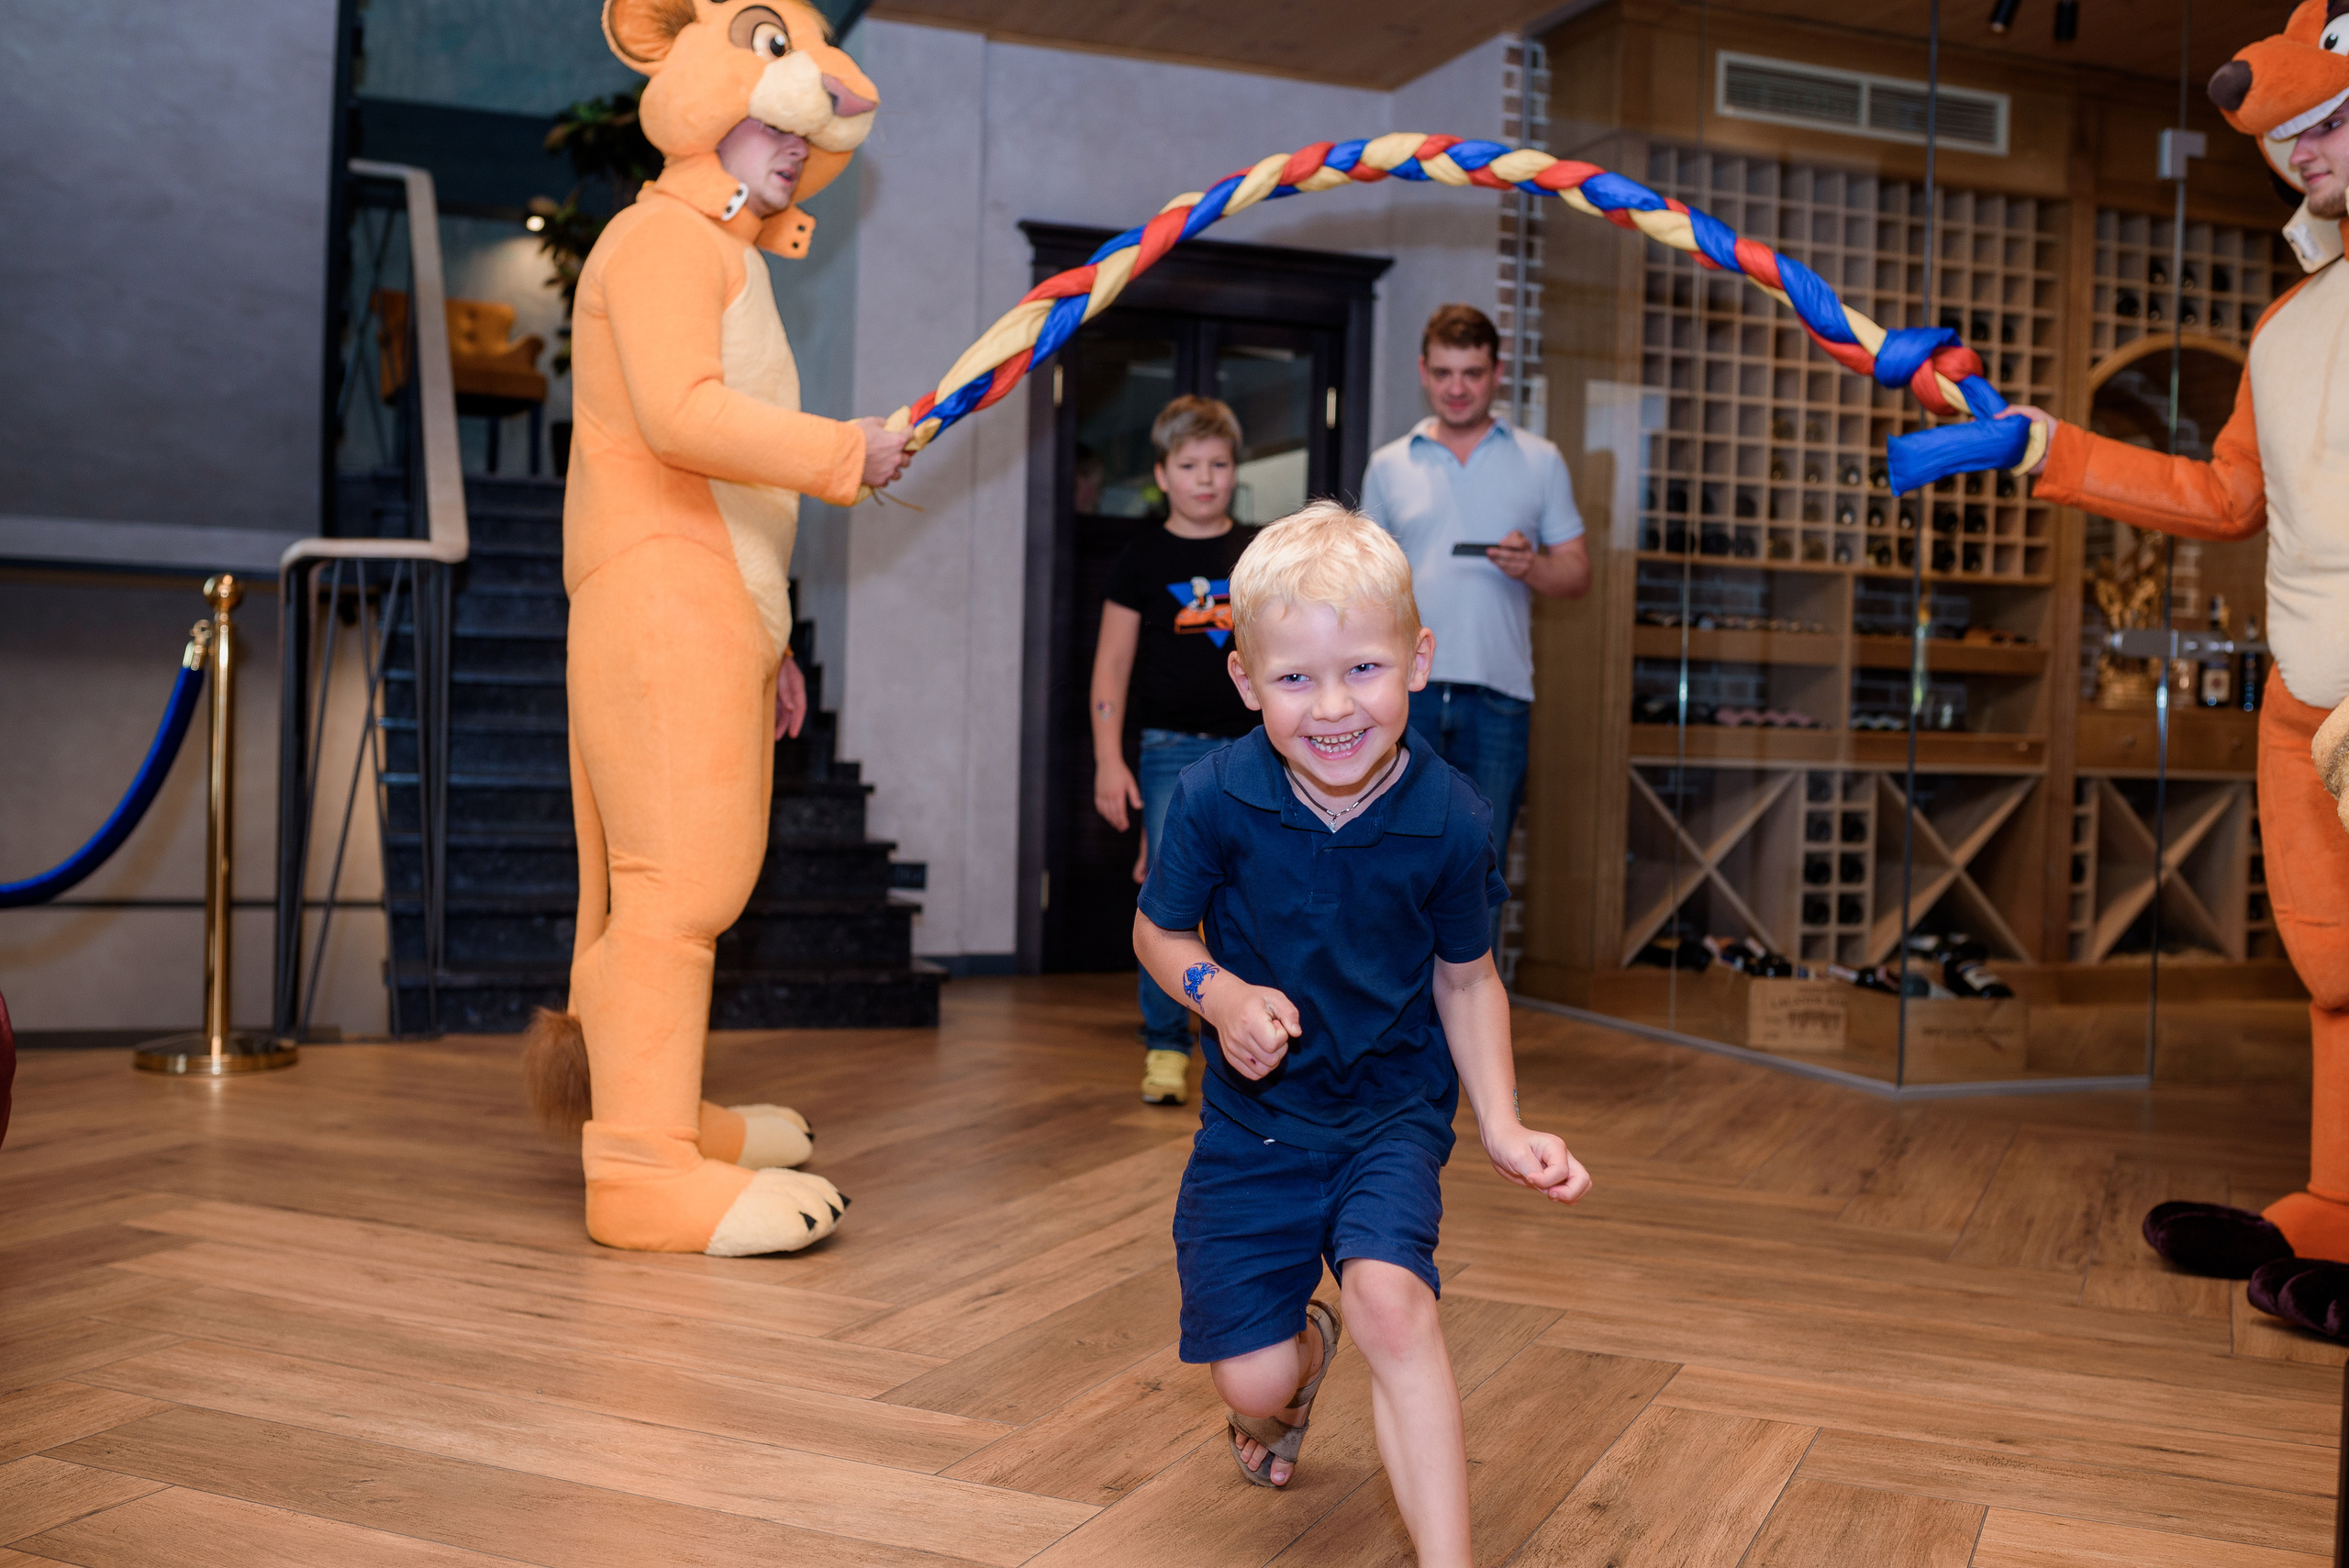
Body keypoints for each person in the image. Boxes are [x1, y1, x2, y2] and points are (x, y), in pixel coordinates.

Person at [523, 0, 912, 1256]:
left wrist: (774, 640)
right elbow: (686, 418)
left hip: (711, 599)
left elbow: (726, 482)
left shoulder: (721, 253)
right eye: (772, 115)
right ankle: (640, 1171)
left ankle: (661, 1112)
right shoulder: (658, 243)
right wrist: (847, 451)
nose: (800, 143)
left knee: (691, 884)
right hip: (660, 591)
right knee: (672, 887)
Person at [1132, 503, 1590, 1565]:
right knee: (1252, 1378)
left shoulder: (1453, 815)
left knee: (1394, 1304)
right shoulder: (1212, 797)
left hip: (1390, 1112)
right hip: (1256, 1124)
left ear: (1418, 661)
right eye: (1294, 678)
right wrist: (1218, 991)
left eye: (1364, 670)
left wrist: (1504, 1122)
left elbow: (1467, 979)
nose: (1333, 707)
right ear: (1245, 680)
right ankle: (1298, 1357)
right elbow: (1159, 928)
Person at [2000, 8, 2349, 1331]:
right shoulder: (2290, 322)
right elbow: (2220, 495)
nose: (2298, 152)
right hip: (2296, 704)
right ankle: (2336, 1201)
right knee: (2332, 966)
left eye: (2326, 124)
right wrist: (2051, 451)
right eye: (2289, 136)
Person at [1359, 306, 1589, 946]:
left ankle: (1468, 1030)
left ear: (1497, 372)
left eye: (1472, 372)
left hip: (1500, 697)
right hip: (1405, 694)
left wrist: (1533, 565)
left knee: (1479, 867)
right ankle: (1396, 1019)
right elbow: (1360, 582)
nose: (1457, 386)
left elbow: (1577, 575)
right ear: (1422, 373)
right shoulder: (1389, 464)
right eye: (1443, 373)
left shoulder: (1540, 461)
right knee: (1392, 852)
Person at [1092, 397, 1262, 1107]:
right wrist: (1109, 758)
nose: (1205, 478)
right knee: (1169, 900)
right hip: (1169, 753)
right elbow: (1111, 666)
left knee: (1255, 893)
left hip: (1258, 751)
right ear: (1163, 473)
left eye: (1219, 465)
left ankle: (1254, 1035)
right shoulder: (1142, 558)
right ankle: (1165, 1044)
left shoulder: (1259, 551)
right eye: (1189, 465)